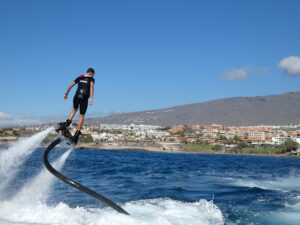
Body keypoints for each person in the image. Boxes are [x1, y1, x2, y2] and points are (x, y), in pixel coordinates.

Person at [59, 68, 95, 144]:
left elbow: (70, 86)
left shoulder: (80, 77)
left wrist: (66, 94)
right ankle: (77, 133)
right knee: (81, 115)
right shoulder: (91, 79)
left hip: (76, 96)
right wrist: (91, 98)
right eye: (93, 74)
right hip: (84, 98)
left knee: (74, 109)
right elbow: (91, 87)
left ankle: (66, 124)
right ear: (91, 73)